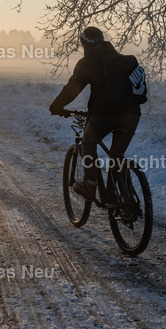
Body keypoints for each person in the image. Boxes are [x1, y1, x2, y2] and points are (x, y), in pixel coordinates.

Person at [49, 27, 141, 206]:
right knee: (117, 155)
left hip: (103, 116)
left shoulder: (88, 63)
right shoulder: (124, 61)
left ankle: (90, 185)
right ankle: (123, 198)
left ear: (84, 44)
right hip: (132, 116)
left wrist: (57, 106)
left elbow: (72, 89)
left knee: (88, 143)